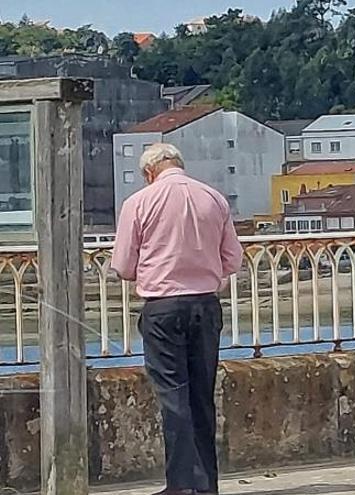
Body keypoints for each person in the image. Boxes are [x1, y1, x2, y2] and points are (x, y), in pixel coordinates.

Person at [111, 143, 243, 495]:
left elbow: (123, 266)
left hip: (163, 308)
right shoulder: (213, 198)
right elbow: (233, 260)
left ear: (148, 172)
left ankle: (181, 484)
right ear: (179, 164)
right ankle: (205, 484)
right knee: (202, 395)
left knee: (174, 396)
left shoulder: (139, 203)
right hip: (205, 304)